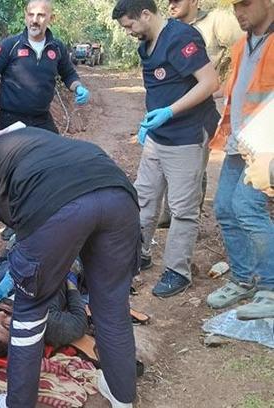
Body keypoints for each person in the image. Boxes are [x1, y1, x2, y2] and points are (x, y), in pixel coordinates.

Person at [0, 127, 140, 408]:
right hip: (118, 194)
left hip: (62, 208)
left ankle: (17, 403)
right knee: (112, 303)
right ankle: (122, 396)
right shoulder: (25, 142)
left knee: (29, 312)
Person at [113, 0, 219, 298]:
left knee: (183, 208)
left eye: (130, 25)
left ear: (146, 14)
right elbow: (161, 88)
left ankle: (178, 271)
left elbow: (210, 82)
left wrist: (169, 112)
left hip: (186, 134)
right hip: (159, 137)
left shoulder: (181, 37)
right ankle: (140, 253)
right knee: (143, 198)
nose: (129, 32)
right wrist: (150, 121)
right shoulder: (145, 45)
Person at [205, 0, 273, 320]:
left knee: (247, 206)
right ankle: (244, 279)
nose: (238, 12)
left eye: (244, 4)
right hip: (241, 142)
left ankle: (270, 289)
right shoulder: (241, 45)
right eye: (234, 6)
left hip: (267, 145)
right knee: (224, 207)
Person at [157, 0, 244, 228]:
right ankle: (169, 214)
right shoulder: (167, 28)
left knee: (194, 166)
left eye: (176, 0)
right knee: (168, 160)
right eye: (168, 1)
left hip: (201, 108)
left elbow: (246, 48)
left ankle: (189, 220)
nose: (170, 5)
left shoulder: (217, 21)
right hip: (174, 109)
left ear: (194, 1)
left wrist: (226, 86)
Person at [0, 0, 90, 134]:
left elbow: (69, 75)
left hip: (42, 119)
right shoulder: (10, 45)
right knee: (12, 155)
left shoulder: (57, 48)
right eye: (31, 15)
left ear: (51, 18)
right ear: (25, 16)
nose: (35, 20)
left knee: (54, 152)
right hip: (11, 119)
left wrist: (78, 87)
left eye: (41, 15)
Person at [0, 260, 88, 357]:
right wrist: (72, 279)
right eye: (7, 325)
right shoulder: (46, 320)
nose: (1, 314)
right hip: (65, 258)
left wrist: (10, 248)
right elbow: (79, 323)